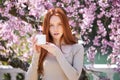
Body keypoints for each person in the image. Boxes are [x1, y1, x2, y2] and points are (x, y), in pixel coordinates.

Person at [26, 7, 84, 80]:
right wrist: (36, 54)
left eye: (59, 24)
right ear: (47, 27)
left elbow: (74, 77)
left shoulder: (77, 48)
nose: (55, 29)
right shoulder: (43, 47)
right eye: (51, 25)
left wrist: (57, 53)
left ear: (65, 25)